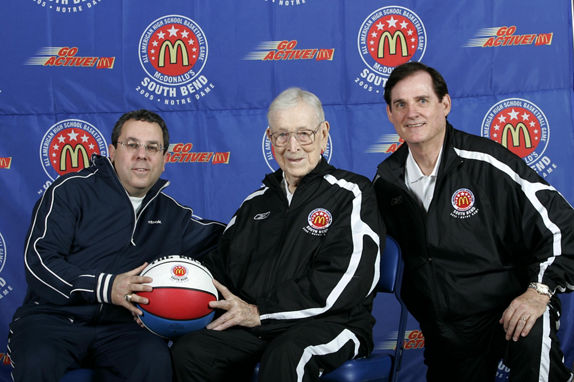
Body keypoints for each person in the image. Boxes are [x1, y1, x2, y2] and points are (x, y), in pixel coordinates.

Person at [373, 61, 574, 381]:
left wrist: (538, 291)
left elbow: (564, 226)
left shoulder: (489, 163)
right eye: (401, 104)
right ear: (391, 115)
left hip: (513, 310)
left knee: (532, 336)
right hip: (448, 332)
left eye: (422, 100)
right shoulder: (386, 182)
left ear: (445, 104)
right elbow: (360, 253)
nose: (412, 112)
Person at [171, 87, 384, 381]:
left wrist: (261, 312)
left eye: (304, 133)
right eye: (281, 135)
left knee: (287, 356)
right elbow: (219, 270)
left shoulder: (352, 193)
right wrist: (170, 292)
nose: (292, 146)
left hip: (334, 323)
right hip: (260, 326)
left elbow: (346, 281)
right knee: (191, 351)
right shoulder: (256, 204)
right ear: (270, 139)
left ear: (323, 134)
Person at [8, 109, 224, 382]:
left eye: (152, 147)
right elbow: (38, 262)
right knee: (37, 361)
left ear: (165, 159)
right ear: (112, 151)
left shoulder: (173, 215)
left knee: (153, 360)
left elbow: (233, 238)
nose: (142, 154)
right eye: (132, 144)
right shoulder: (70, 190)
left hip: (125, 328)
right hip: (54, 319)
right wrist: (106, 287)